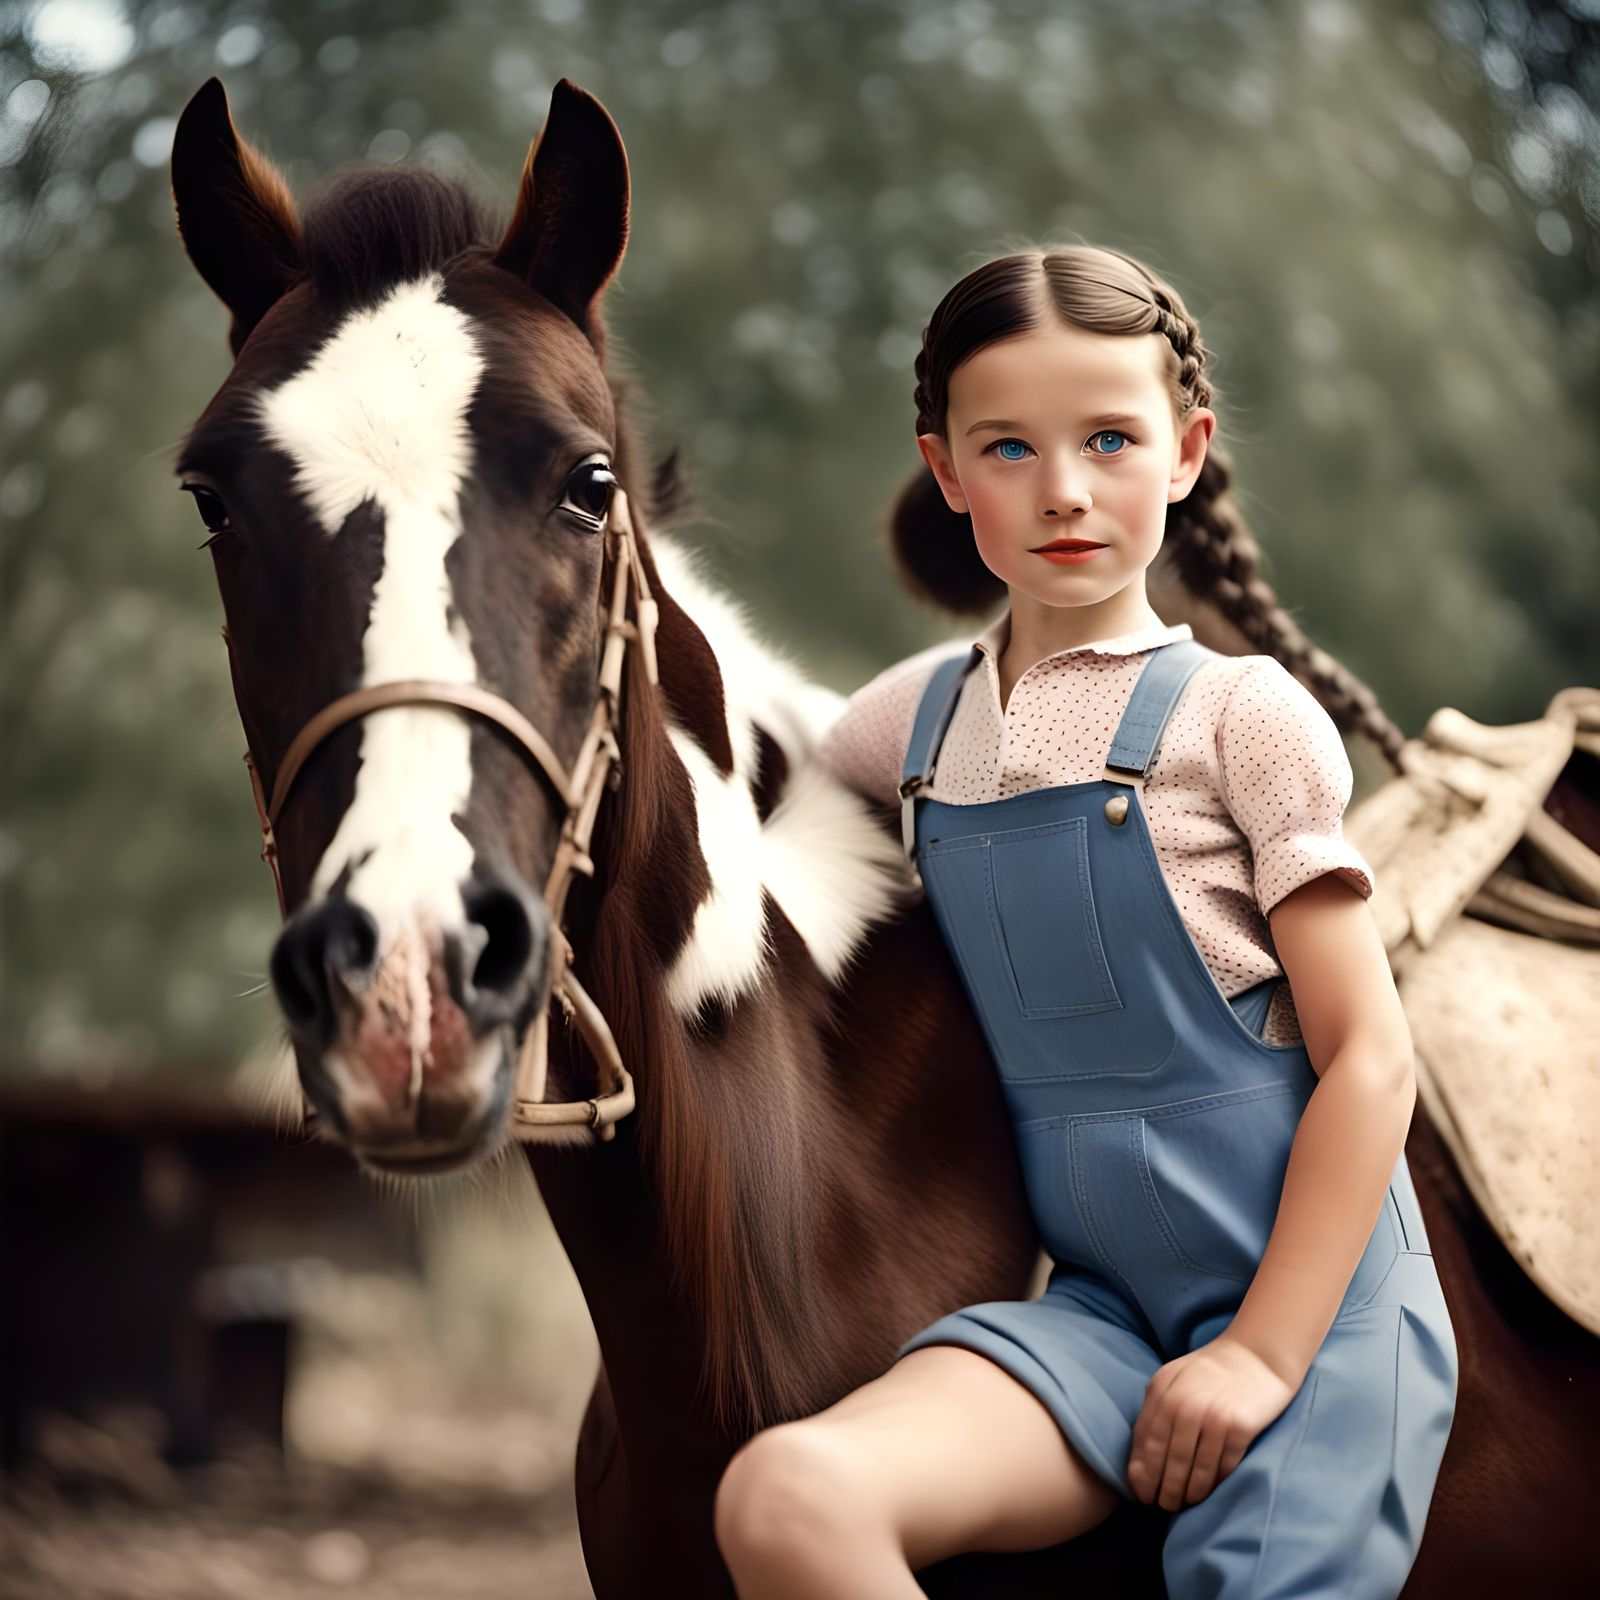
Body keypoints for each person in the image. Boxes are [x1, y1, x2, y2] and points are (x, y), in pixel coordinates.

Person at [711, 244, 1458, 1599]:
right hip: (1099, 1315)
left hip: (1322, 1320)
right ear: (946, 471)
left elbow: (1372, 1058)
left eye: (1110, 439)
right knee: (786, 1499)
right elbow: (738, 804)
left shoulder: (1244, 717)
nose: (1063, 489)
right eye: (1008, 447)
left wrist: (1261, 1354)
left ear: (1186, 452)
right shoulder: (909, 726)